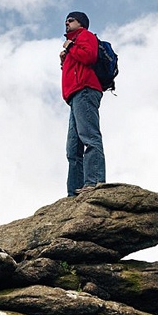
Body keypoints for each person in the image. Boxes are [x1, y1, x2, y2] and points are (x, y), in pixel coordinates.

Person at [59, 11, 105, 196]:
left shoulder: (85, 36)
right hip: (75, 96)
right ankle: (74, 193)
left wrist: (71, 47)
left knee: (89, 138)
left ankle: (94, 183)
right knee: (72, 149)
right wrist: (65, 60)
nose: (66, 22)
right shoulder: (73, 44)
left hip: (85, 90)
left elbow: (89, 57)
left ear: (81, 23)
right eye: (66, 21)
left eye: (71, 20)